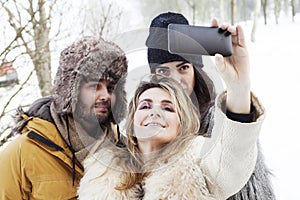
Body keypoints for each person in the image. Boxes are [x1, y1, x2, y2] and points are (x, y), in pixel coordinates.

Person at [145, 12, 275, 200]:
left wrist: (239, 89)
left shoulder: (218, 121)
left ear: (196, 71)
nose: (175, 80)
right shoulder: (146, 124)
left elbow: (232, 157)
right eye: (163, 71)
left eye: (183, 68)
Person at [78, 75, 265, 199]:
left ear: (182, 123)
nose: (155, 112)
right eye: (145, 106)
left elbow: (232, 159)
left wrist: (238, 88)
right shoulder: (101, 171)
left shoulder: (200, 160)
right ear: (133, 122)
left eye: (167, 108)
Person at [0, 36, 128, 199]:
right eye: (95, 86)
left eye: (110, 88)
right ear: (71, 92)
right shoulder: (22, 153)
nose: (105, 95)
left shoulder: (124, 151)